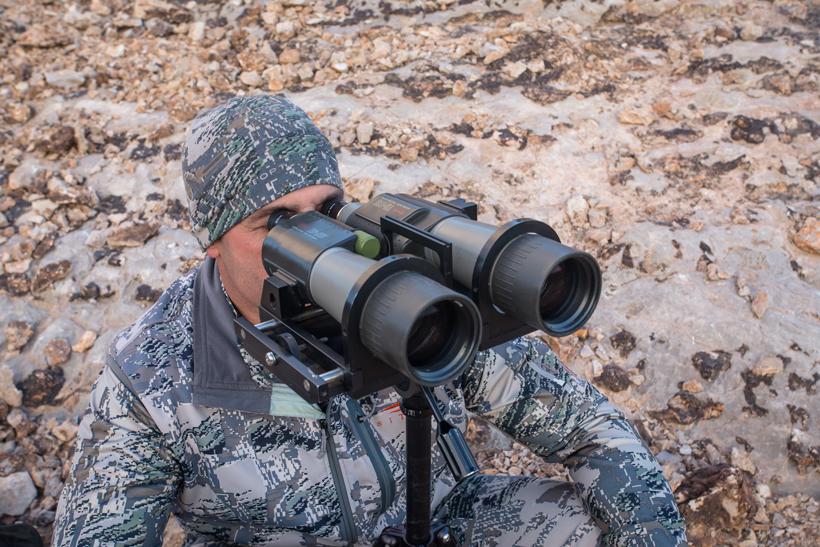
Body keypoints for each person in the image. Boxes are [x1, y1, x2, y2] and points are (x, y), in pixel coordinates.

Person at [53, 95, 686, 546]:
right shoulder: (152, 376)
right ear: (213, 241)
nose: (314, 238)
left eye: (328, 207)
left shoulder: (408, 299)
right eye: (275, 223)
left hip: (439, 519)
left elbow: (590, 430)